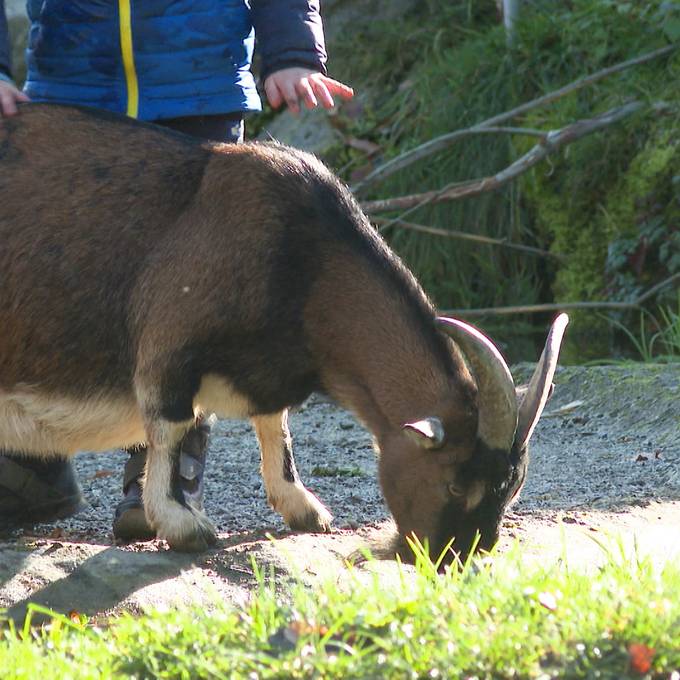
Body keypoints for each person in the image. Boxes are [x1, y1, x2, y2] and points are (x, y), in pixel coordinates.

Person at [0, 0, 353, 539]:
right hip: (73, 90)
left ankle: (164, 482)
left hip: (197, 89)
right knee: (62, 281)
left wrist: (292, 51)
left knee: (197, 296)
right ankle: (35, 468)